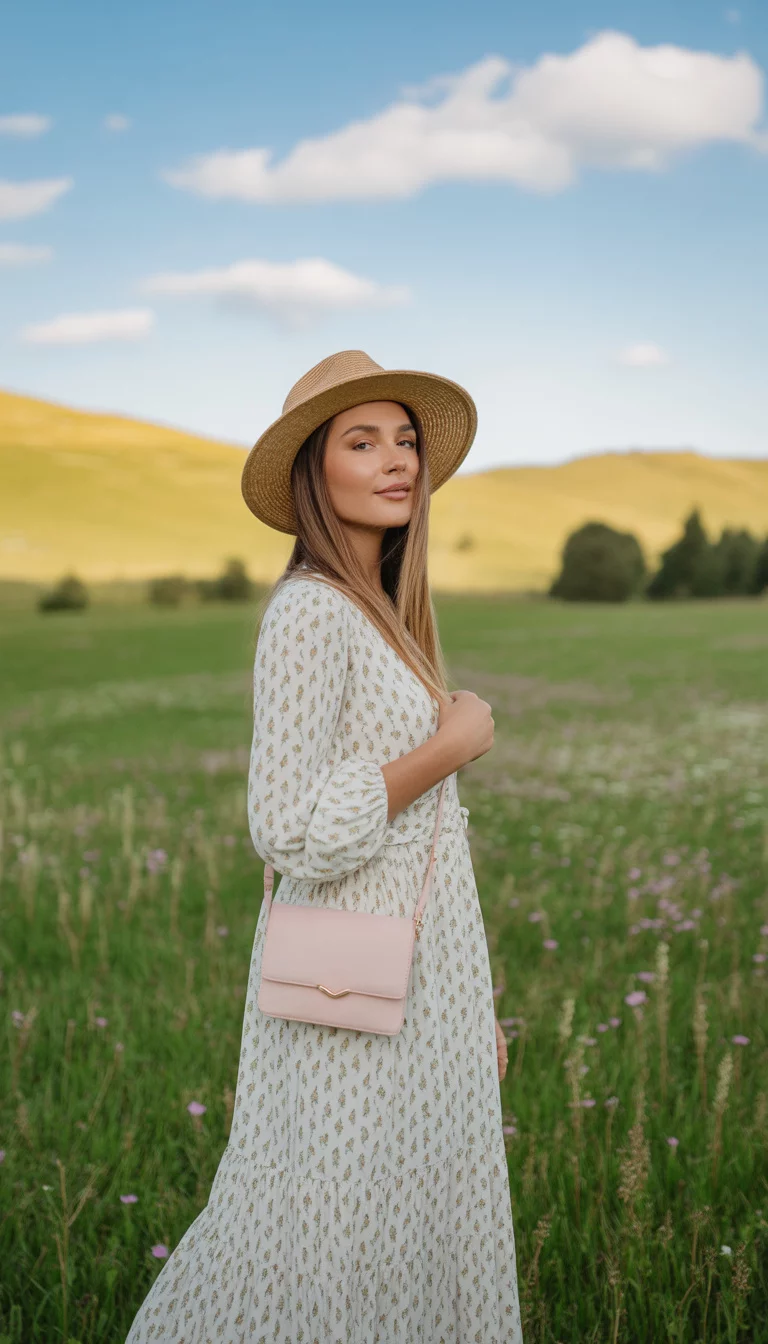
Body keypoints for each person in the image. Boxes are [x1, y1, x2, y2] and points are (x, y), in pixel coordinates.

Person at [126, 349, 523, 1343]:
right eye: (362, 441)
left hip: (417, 985)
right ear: (314, 471)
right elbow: (292, 828)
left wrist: (472, 1001)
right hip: (348, 986)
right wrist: (450, 747)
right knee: (322, 1224)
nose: (398, 461)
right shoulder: (310, 612)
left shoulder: (377, 613)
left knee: (400, 1222)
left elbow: (426, 848)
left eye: (406, 441)